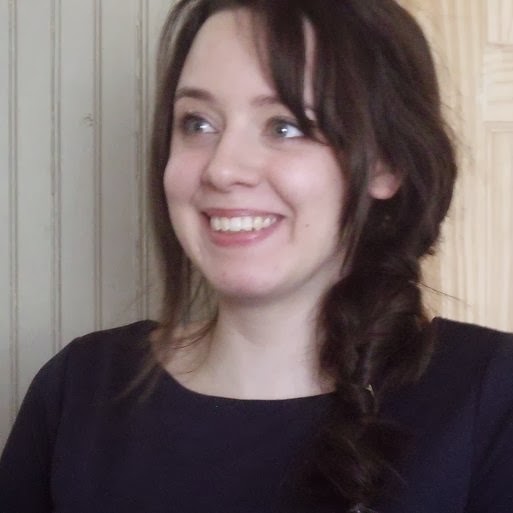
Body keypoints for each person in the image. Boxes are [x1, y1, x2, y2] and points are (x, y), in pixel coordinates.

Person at [1, 0, 512, 512]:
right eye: (197, 123)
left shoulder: (491, 396)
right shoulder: (79, 389)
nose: (222, 169)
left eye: (284, 126)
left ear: (387, 163)